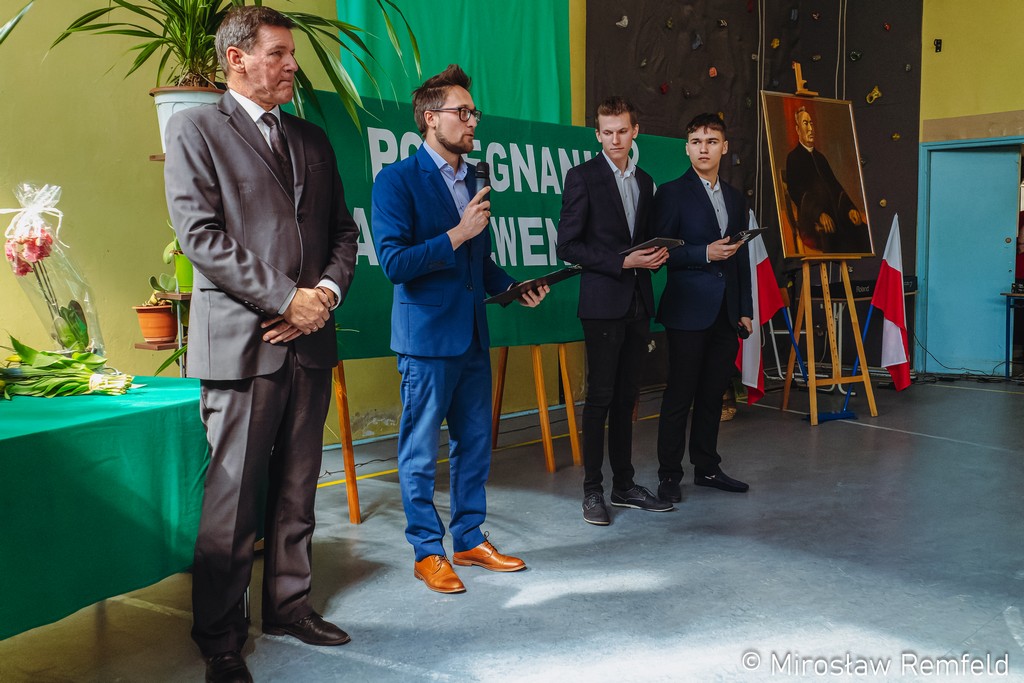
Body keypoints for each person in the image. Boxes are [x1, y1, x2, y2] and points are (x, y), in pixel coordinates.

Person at [163, 7, 358, 682]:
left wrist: (322, 296)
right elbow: (200, 236)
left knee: (299, 487)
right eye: (278, 53)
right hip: (243, 345)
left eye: (291, 54)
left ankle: (289, 606)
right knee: (234, 499)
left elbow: (343, 233)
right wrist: (284, 298)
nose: (291, 65)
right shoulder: (196, 129)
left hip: (310, 340)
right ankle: (220, 638)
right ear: (237, 58)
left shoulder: (311, 137)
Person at [371, 64, 548, 594]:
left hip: (472, 335)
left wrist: (513, 287)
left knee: (475, 444)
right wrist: (457, 232)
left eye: (474, 113)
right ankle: (428, 551)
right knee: (420, 452)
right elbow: (394, 263)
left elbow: (479, 262)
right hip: (425, 342)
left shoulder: (474, 179)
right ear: (431, 119)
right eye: (462, 112)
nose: (473, 121)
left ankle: (469, 539)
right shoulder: (396, 180)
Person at [555, 96, 672, 526]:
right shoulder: (582, 177)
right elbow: (567, 245)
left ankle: (624, 485)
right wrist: (623, 262)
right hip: (602, 305)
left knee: (627, 398)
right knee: (600, 399)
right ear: (598, 135)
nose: (616, 139)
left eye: (623, 131)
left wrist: (655, 256)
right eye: (608, 132)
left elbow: (643, 239)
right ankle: (593, 491)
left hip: (639, 302)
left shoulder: (645, 180)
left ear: (634, 131)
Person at [652, 113, 753, 503]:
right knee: (680, 394)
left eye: (711, 142)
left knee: (713, 394)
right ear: (687, 148)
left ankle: (707, 467)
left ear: (724, 147)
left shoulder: (735, 198)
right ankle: (669, 474)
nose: (703, 149)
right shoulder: (671, 193)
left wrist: (744, 308)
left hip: (726, 312)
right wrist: (704, 253)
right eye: (696, 142)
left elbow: (740, 257)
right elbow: (661, 252)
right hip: (687, 310)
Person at [785, 106, 871, 254]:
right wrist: (819, 214)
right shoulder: (793, 158)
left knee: (861, 231)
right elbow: (797, 192)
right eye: (805, 123)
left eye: (811, 123)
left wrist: (850, 208)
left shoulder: (821, 158)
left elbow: (835, 186)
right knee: (834, 235)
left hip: (835, 214)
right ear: (798, 129)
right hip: (812, 219)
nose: (810, 128)